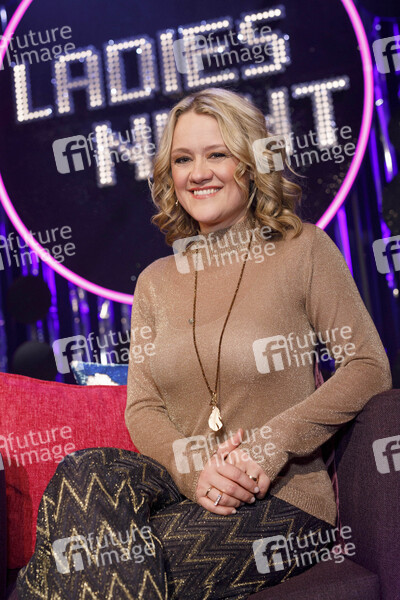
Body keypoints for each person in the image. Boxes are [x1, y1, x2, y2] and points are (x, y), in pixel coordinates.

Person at [16, 88, 392, 600]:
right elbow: (143, 406)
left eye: (217, 154)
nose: (198, 173)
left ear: (250, 164)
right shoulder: (155, 281)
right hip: (184, 490)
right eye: (182, 159)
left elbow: (367, 364)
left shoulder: (303, 249)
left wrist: (269, 445)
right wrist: (196, 471)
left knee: (77, 569)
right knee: (86, 470)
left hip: (281, 499)